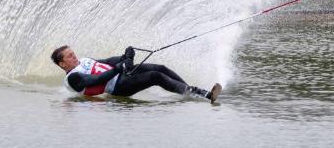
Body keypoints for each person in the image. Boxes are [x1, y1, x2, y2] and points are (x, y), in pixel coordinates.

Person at [51, 45, 222, 103]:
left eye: (73, 53)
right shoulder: (72, 77)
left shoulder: (84, 61)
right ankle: (203, 95)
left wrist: (125, 56)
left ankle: (191, 91)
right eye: (70, 56)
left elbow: (107, 61)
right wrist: (120, 67)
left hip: (123, 75)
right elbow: (96, 79)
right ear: (62, 63)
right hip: (118, 88)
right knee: (155, 76)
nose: (74, 56)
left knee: (160, 68)